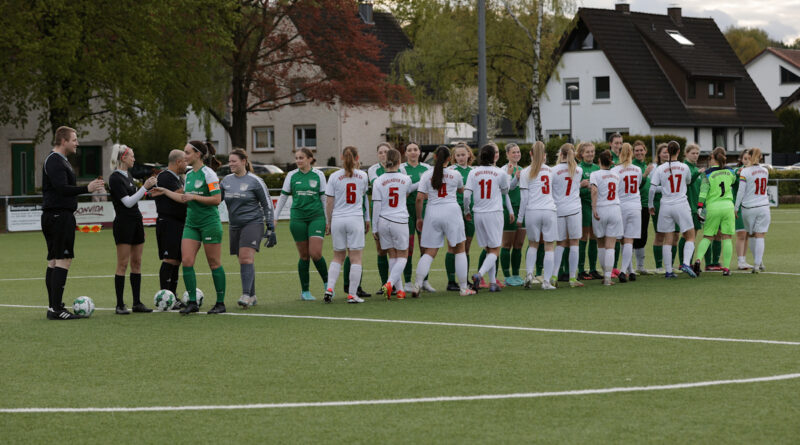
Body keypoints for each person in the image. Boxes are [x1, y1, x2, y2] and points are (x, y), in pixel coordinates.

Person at [151, 141, 227, 314]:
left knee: (214, 263)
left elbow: (216, 199)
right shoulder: (189, 175)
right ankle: (192, 302)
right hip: (191, 224)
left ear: (198, 154)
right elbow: (184, 198)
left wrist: (194, 197)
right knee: (187, 261)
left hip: (209, 223)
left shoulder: (209, 174)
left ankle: (220, 302)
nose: (184, 156)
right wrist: (165, 191)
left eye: (187, 153)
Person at [42, 126, 105, 320]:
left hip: (57, 216)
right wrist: (87, 187)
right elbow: (61, 189)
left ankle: (54, 305)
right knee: (63, 260)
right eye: (74, 139)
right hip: (59, 216)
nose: (77, 143)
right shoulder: (54, 161)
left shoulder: (62, 161)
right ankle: (56, 309)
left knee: (54, 260)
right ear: (63, 141)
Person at [411, 146, 473, 297]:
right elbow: (461, 191)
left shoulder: (426, 174)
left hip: (433, 212)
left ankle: (417, 285)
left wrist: (419, 217)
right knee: (460, 249)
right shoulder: (455, 174)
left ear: (434, 157)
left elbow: (419, 198)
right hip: (452, 211)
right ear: (449, 159)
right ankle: (464, 288)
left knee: (429, 252)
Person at [220, 148, 276, 309]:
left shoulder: (255, 181)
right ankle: (252, 296)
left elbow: (267, 203)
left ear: (244, 161)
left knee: (245, 258)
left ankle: (245, 294)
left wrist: (270, 226)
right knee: (244, 260)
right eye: (229, 161)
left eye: (234, 161)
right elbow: (216, 199)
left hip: (253, 223)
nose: (230, 164)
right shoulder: (226, 181)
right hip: (234, 226)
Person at [108, 144, 157, 314]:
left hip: (136, 221)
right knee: (123, 263)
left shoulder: (128, 175)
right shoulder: (114, 178)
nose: (134, 159)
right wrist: (145, 187)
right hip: (123, 223)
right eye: (132, 156)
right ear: (123, 158)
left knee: (137, 262)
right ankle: (120, 304)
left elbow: (135, 199)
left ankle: (137, 302)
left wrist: (148, 191)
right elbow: (127, 202)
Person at [274, 148, 329, 301]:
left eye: (301, 158)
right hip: (298, 218)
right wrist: (275, 217)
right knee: (304, 255)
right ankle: (305, 291)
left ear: (310, 159)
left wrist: (327, 220)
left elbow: (324, 199)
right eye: (296, 158)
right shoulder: (291, 175)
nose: (298, 160)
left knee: (315, 253)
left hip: (316, 217)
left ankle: (328, 285)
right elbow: (283, 197)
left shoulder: (319, 175)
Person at [464, 144, 513, 292]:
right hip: (494, 213)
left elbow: (467, 196)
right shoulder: (500, 173)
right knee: (495, 249)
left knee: (489, 249)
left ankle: (492, 283)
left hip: (478, 213)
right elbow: (506, 190)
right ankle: (479, 274)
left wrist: (467, 210)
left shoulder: (473, 172)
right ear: (493, 157)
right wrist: (509, 175)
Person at [324, 146, 370, 304]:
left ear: (341, 157)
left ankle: (329, 289)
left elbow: (329, 202)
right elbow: (363, 198)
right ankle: (352, 294)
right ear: (357, 158)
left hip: (338, 219)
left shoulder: (334, 177)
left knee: (338, 257)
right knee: (356, 258)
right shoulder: (363, 175)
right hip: (355, 219)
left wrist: (328, 222)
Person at [648, 141, 697, 279]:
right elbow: (688, 181)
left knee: (667, 239)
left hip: (665, 205)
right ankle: (686, 263)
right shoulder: (684, 167)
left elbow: (652, 188)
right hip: (681, 204)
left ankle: (669, 271)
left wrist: (650, 205)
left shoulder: (660, 168)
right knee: (690, 236)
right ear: (679, 151)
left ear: (668, 152)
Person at [372, 148, 416, 300]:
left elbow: (376, 205)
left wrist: (374, 227)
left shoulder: (378, 180)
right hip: (400, 220)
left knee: (392, 255)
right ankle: (389, 284)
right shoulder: (406, 179)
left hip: (383, 221)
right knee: (403, 255)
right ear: (399, 161)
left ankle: (400, 291)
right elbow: (408, 192)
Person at [518, 141, 558, 290]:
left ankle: (529, 274)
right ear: (544, 155)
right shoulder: (550, 171)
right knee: (549, 246)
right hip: (548, 210)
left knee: (533, 244)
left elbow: (524, 198)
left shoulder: (525, 171)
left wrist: (519, 218)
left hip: (532, 211)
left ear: (530, 154)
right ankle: (546, 282)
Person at [693, 147, 736, 276]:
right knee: (727, 237)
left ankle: (698, 260)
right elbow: (733, 181)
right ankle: (727, 268)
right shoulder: (731, 172)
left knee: (708, 237)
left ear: (713, 158)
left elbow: (703, 191)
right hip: (728, 207)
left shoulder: (706, 174)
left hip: (713, 208)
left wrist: (700, 206)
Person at [154, 150, 187, 306]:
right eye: (185, 162)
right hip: (168, 222)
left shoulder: (178, 178)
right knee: (169, 259)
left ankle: (173, 296)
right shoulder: (164, 177)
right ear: (178, 162)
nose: (187, 165)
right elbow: (179, 196)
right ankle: (164, 298)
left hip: (179, 223)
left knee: (177, 260)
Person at [399, 142, 432, 292]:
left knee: (424, 246)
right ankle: (407, 282)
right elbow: (405, 190)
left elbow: (430, 191)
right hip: (406, 211)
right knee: (408, 247)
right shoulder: (401, 168)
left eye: (415, 149)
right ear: (405, 153)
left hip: (424, 211)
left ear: (419, 152)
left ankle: (424, 281)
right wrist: (420, 186)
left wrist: (419, 191)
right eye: (409, 150)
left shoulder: (427, 168)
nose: (413, 152)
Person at [551, 143, 584, 288]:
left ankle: (553, 275)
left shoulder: (553, 170)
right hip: (574, 209)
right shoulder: (579, 170)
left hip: (558, 209)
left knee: (560, 243)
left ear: (560, 154)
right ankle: (572, 278)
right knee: (574, 243)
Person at [590, 150, 623, 286]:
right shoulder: (616, 174)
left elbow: (594, 190)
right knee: (611, 245)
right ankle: (608, 278)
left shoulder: (595, 174)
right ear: (611, 161)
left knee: (601, 243)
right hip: (614, 208)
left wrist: (594, 208)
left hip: (601, 209)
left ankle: (605, 274)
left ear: (599, 161)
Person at [610, 143, 642, 282]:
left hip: (621, 205)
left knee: (623, 239)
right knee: (629, 240)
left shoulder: (615, 170)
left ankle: (624, 270)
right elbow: (639, 184)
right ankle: (630, 270)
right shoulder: (637, 169)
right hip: (635, 205)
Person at [735, 147, 770, 273]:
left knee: (750, 234)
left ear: (749, 157)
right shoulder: (765, 171)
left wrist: (735, 207)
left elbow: (741, 191)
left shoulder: (745, 171)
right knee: (760, 235)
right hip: (763, 206)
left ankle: (756, 262)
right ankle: (757, 263)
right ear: (760, 157)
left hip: (748, 208)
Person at [446, 143, 475, 291]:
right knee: (452, 246)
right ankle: (451, 281)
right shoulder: (451, 171)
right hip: (455, 212)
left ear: (469, 154)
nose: (461, 158)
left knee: (466, 247)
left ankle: (465, 278)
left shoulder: (474, 171)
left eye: (463, 154)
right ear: (453, 157)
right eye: (458, 155)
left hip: (470, 213)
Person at [366, 142, 392, 295]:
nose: (383, 154)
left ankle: (396, 283)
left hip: (396, 213)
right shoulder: (373, 170)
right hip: (380, 213)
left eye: (386, 151)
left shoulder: (399, 168)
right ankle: (384, 284)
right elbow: (377, 185)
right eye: (380, 152)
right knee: (381, 251)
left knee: (396, 252)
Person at [499, 143, 526, 286]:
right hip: (509, 210)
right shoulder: (504, 170)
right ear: (508, 154)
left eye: (518, 152)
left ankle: (516, 274)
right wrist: (515, 178)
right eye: (513, 152)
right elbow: (506, 190)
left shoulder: (522, 169)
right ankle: (507, 276)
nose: (516, 154)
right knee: (507, 244)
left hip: (522, 209)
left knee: (519, 243)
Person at [577, 142, 601, 280]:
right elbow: (572, 189)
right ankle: (581, 270)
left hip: (595, 205)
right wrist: (581, 186)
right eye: (587, 152)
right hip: (584, 205)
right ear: (581, 154)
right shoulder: (578, 168)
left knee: (594, 237)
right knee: (583, 237)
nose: (590, 154)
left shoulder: (597, 168)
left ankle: (592, 269)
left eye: (592, 151)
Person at [631, 140, 654, 275]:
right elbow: (636, 186)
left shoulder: (646, 165)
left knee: (643, 235)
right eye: (636, 150)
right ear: (633, 152)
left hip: (645, 205)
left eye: (641, 150)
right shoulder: (633, 167)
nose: (639, 152)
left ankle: (640, 266)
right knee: (631, 235)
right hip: (635, 205)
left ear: (645, 151)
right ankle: (630, 266)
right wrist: (644, 174)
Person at [679, 144, 704, 267]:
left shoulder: (695, 168)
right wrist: (697, 174)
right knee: (687, 236)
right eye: (693, 153)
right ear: (686, 153)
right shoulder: (684, 168)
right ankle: (682, 263)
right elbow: (687, 183)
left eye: (697, 153)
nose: (695, 155)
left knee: (693, 236)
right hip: (687, 206)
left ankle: (688, 262)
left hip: (696, 207)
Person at [734, 150, 754, 270]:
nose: (747, 161)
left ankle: (744, 260)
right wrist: (738, 172)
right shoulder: (739, 171)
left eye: (749, 159)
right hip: (739, 207)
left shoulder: (753, 171)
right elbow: (735, 173)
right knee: (741, 234)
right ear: (741, 159)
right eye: (745, 159)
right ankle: (740, 261)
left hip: (750, 206)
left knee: (747, 235)